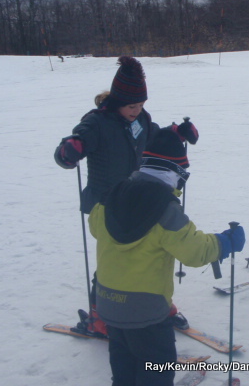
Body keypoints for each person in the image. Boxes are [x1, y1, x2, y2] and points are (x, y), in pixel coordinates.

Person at [54, 56, 199, 337]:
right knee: (114, 261)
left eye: (141, 105)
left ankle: (159, 304)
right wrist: (68, 151)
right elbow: (71, 147)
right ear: (118, 101)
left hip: (136, 198)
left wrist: (176, 132)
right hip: (105, 206)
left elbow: (153, 135)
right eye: (132, 105)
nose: (137, 110)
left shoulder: (141, 119)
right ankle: (100, 316)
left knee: (151, 256)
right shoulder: (96, 123)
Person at [89, 129, 245, 386]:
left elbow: (95, 227)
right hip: (147, 312)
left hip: (108, 304)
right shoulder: (164, 208)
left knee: (123, 363)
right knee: (156, 367)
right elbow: (194, 251)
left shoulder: (111, 196)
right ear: (176, 174)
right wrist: (225, 242)